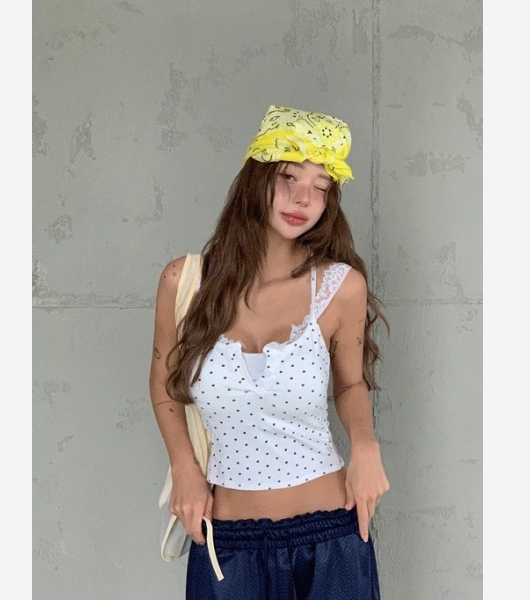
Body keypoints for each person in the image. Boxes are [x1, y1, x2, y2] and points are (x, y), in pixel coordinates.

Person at [149, 105, 390, 599]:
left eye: (322, 186)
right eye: (289, 177)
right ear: (256, 178)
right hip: (228, 545)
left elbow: (350, 383)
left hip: (331, 538)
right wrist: (184, 467)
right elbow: (163, 384)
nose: (304, 198)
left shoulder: (340, 287)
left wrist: (366, 447)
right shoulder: (184, 282)